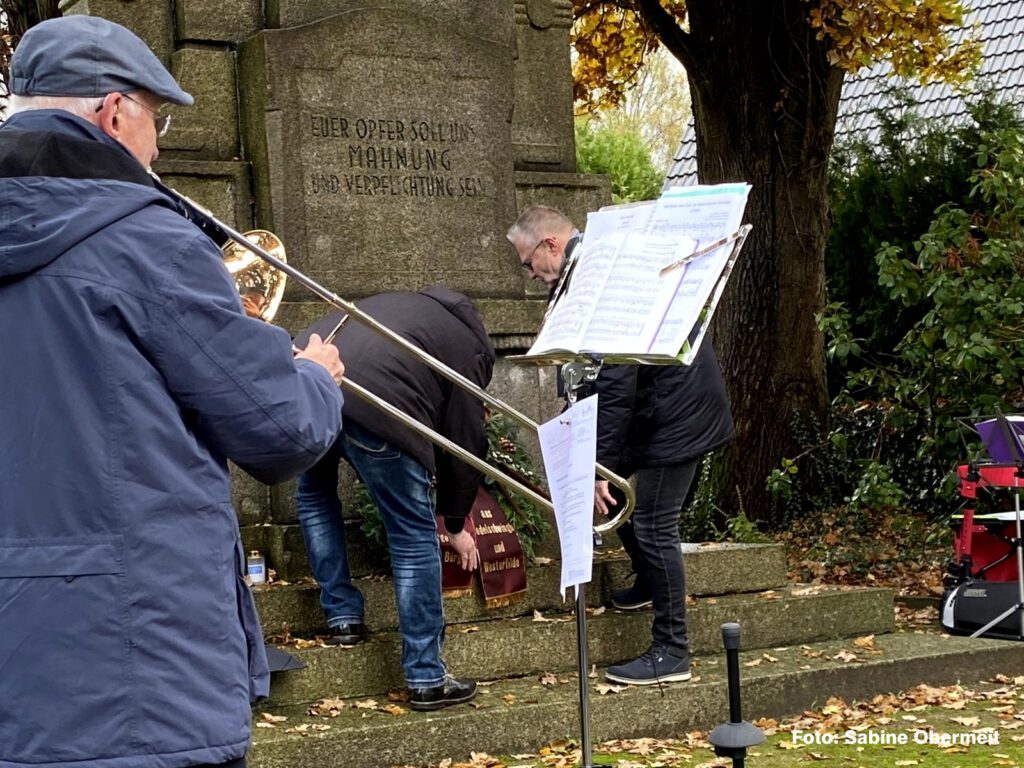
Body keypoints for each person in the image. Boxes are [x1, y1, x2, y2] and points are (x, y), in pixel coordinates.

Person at [0, 16, 345, 768]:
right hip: (140, 670)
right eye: (155, 120)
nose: (157, 148)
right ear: (113, 110)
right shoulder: (147, 238)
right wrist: (315, 378)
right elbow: (280, 431)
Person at [507, 204, 736, 686]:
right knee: (621, 501)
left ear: (551, 244)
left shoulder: (602, 274)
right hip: (654, 412)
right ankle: (651, 581)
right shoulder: (586, 268)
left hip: (676, 415)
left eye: (529, 263)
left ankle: (672, 650)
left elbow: (615, 381)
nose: (530, 275)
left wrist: (596, 466)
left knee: (652, 521)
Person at [293, 286, 495, 711]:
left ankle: (342, 616)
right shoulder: (466, 345)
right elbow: (464, 438)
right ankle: (426, 676)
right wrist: (455, 524)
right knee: (411, 537)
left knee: (314, 496)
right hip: (382, 407)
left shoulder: (399, 307)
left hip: (311, 380)